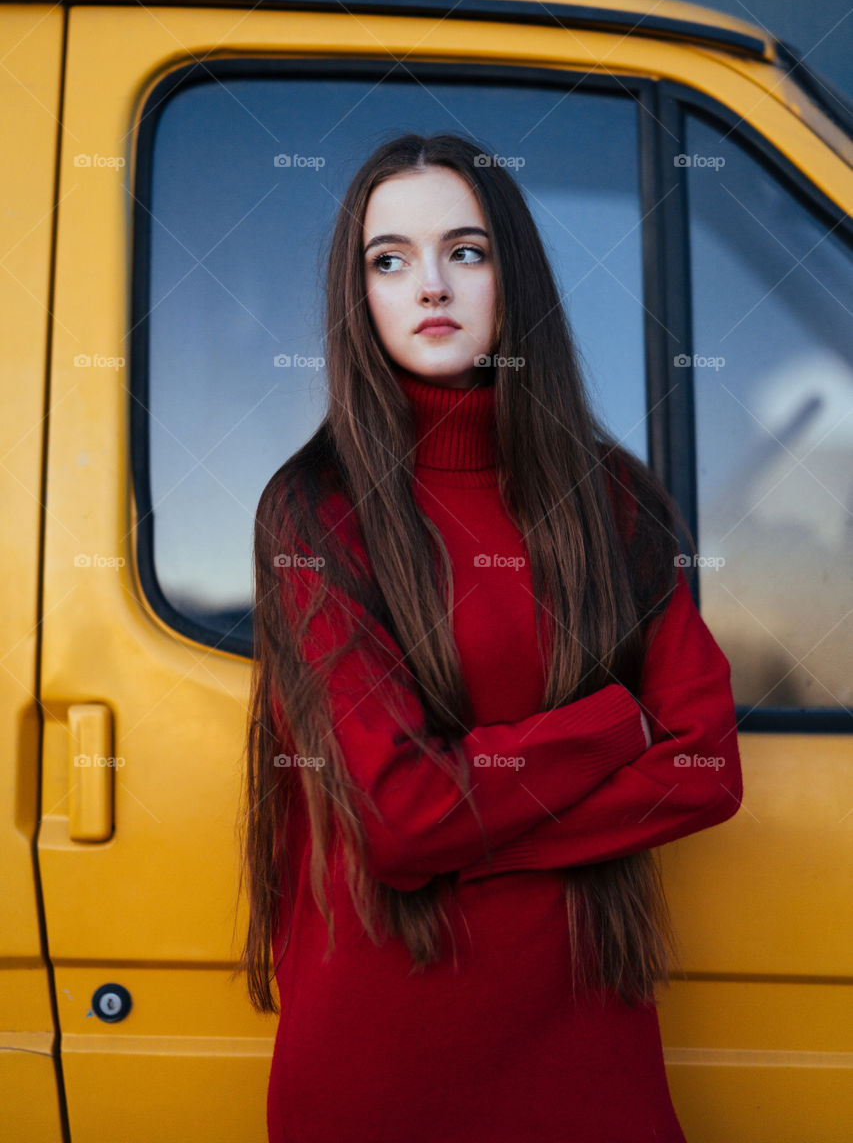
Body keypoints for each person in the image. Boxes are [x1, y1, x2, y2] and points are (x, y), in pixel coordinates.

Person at [236, 133, 744, 1142]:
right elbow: (401, 818)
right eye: (389, 260)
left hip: (585, 1040)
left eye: (465, 251)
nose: (430, 283)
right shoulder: (314, 510)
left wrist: (461, 822)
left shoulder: (614, 500)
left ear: (515, 277)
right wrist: (612, 724)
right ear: (359, 294)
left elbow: (706, 765)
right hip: (382, 1054)